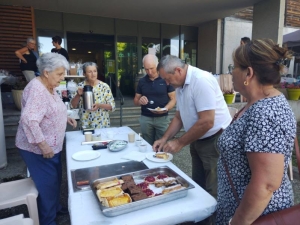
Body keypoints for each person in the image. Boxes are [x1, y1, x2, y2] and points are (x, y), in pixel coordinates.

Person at [216, 39, 296, 225]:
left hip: (255, 217)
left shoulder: (266, 112)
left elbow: (266, 184)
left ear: (248, 73)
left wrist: (237, 222)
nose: (231, 73)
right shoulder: (257, 104)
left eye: (233, 67)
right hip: (243, 210)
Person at [154, 55, 232, 200]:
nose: (166, 83)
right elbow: (179, 117)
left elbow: (207, 121)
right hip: (197, 137)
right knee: (198, 184)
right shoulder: (179, 84)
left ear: (178, 70)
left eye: (167, 79)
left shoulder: (201, 80)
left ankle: (214, 220)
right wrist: (164, 138)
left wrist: (179, 142)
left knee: (213, 189)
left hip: (214, 140)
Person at [15, 53, 77, 225]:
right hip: (38, 149)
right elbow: (29, 120)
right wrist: (43, 146)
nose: (62, 77)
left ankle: (55, 208)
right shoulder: (37, 89)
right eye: (59, 74)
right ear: (46, 72)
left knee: (56, 179)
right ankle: (48, 220)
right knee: (47, 185)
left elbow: (51, 109)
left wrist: (64, 117)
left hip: (53, 146)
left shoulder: (49, 86)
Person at [134, 54, 176, 145]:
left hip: (162, 118)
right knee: (147, 144)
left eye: (151, 68)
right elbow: (135, 101)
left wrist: (165, 109)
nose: (149, 72)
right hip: (146, 118)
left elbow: (173, 99)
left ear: (157, 65)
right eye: (146, 69)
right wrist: (140, 100)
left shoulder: (165, 79)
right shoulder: (142, 81)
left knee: (162, 144)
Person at [71, 62, 115, 129]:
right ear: (84, 74)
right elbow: (73, 105)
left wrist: (99, 105)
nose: (93, 74)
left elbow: (112, 107)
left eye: (95, 71)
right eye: (89, 72)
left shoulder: (104, 86)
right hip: (85, 124)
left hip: (102, 125)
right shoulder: (80, 86)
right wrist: (78, 95)